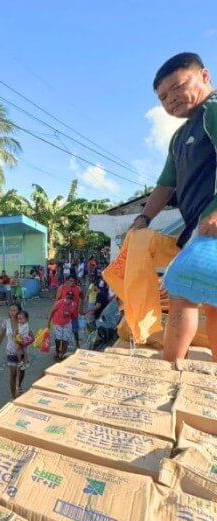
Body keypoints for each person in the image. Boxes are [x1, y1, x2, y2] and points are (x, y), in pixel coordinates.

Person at [126, 52, 217, 361]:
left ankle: (169, 368)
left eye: (178, 86)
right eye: (163, 96)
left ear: (204, 76)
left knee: (181, 289)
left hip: (211, 221)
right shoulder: (179, 136)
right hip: (199, 225)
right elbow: (166, 184)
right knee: (211, 300)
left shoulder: (213, 110)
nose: (171, 99)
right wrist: (144, 217)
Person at [0, 304, 33, 398]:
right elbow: (1, 335)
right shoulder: (6, 322)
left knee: (21, 371)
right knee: (13, 374)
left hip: (22, 352)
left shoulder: (23, 323)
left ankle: (18, 386)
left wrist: (24, 344)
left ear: (19, 311)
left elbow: (32, 337)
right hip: (10, 351)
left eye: (14, 310)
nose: (12, 312)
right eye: (10, 310)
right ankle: (13, 396)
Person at [49, 291, 77, 361]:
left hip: (67, 323)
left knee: (66, 338)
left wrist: (74, 324)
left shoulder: (74, 305)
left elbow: (73, 315)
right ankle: (57, 351)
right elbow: (52, 311)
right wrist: (48, 323)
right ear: (65, 297)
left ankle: (62, 354)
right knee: (58, 338)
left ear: (73, 298)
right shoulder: (59, 303)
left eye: (71, 298)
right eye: (68, 298)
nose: (69, 300)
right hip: (57, 323)